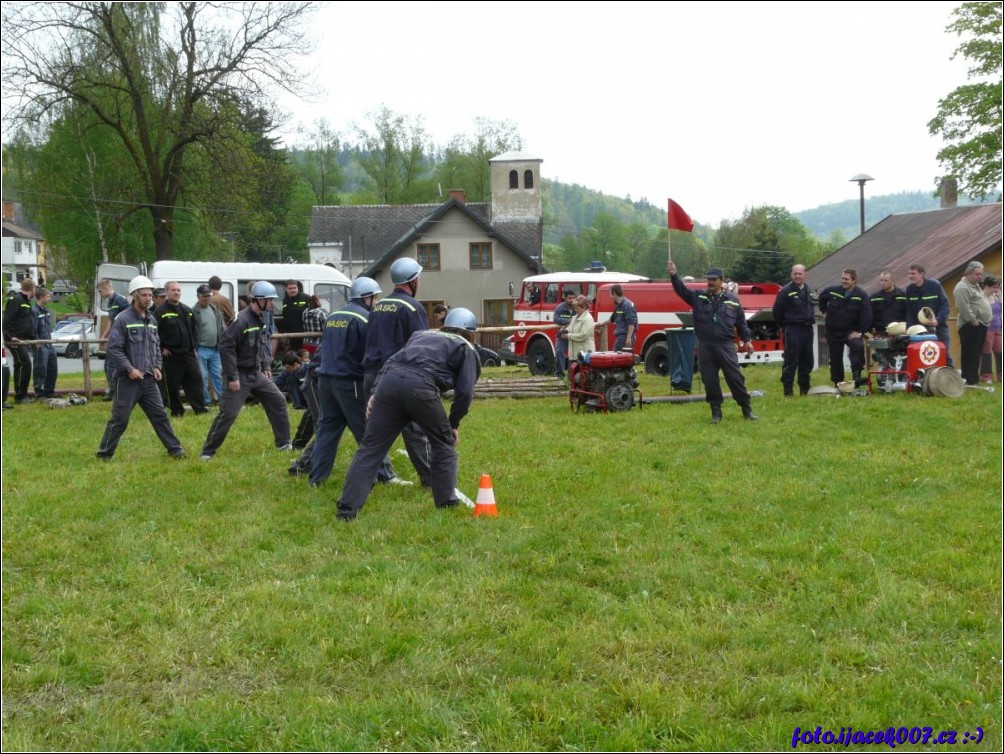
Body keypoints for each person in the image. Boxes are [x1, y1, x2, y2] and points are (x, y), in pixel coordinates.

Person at [335, 307, 482, 521]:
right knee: (443, 444)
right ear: (471, 331)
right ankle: (446, 502)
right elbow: (466, 392)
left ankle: (346, 510)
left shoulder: (421, 334)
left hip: (389, 384)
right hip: (421, 388)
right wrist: (453, 424)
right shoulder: (465, 347)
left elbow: (392, 360)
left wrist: (376, 392)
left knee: (370, 449)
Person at [307, 277, 404, 488]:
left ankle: (316, 479)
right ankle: (386, 475)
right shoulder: (365, 319)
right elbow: (370, 353)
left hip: (326, 381)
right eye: (374, 297)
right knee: (368, 430)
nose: (376, 301)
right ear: (366, 298)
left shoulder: (334, 315)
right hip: (350, 382)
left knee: (327, 432)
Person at [200, 281, 293, 460]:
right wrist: (232, 376)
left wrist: (266, 365)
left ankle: (284, 443)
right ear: (258, 300)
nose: (271, 303)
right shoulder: (241, 320)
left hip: (255, 373)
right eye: (269, 300)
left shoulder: (264, 317)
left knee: (278, 400)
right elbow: (226, 347)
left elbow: (263, 342)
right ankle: (207, 451)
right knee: (228, 413)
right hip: (238, 375)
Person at [95, 276, 185, 460]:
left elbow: (155, 347)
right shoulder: (123, 319)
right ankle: (104, 454)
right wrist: (129, 369)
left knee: (160, 416)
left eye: (150, 295)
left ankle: (176, 450)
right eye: (144, 295)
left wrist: (157, 366)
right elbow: (114, 348)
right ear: (135, 296)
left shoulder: (152, 320)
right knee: (120, 419)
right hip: (128, 380)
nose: (148, 298)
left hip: (149, 379)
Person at [362, 257, 431, 486]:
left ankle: (367, 479)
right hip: (399, 377)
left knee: (375, 433)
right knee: (415, 430)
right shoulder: (413, 307)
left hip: (372, 375)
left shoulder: (378, 306)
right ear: (412, 281)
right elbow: (422, 345)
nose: (419, 281)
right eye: (418, 277)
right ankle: (431, 478)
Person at [667, 261, 758, 423]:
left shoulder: (732, 300)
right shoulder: (699, 296)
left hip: (726, 345)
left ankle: (746, 409)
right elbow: (681, 290)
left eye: (714, 279)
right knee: (710, 380)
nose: (710, 282)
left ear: (721, 281)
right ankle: (716, 413)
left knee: (735, 377)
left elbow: (741, 323)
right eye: (709, 279)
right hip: (705, 345)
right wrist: (674, 275)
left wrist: (747, 340)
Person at [154, 281, 208, 417]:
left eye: (178, 290)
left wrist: (194, 347)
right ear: (167, 292)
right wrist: (161, 348)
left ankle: (200, 409)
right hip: (171, 356)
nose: (176, 292)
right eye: (173, 290)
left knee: (196, 380)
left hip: (188, 354)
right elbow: (153, 333)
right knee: (173, 385)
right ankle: (177, 411)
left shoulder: (186, 310)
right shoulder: (160, 311)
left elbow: (195, 329)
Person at [818, 268, 872, 387]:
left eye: (846, 279)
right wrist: (824, 311)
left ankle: (856, 377)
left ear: (854, 280)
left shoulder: (861, 295)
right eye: (842, 278)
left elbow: (866, 315)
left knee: (857, 347)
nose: (843, 281)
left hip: (850, 332)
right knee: (835, 357)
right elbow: (821, 298)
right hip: (833, 331)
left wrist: (860, 332)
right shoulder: (833, 291)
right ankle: (838, 382)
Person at [771, 263, 815, 397]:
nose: (797, 276)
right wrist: (785, 326)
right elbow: (777, 312)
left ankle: (804, 389)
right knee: (791, 360)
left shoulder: (808, 290)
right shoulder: (785, 291)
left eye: (799, 274)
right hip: (793, 329)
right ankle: (788, 391)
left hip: (807, 329)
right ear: (791, 275)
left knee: (807, 360)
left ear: (805, 275)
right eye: (795, 274)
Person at [905, 263, 952, 366]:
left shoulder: (934, 286)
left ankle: (950, 378)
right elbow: (909, 312)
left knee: (944, 354)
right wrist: (910, 329)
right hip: (920, 330)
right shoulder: (909, 290)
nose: (910, 276)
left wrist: (938, 320)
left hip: (938, 328)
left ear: (922, 274)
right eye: (909, 274)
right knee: (922, 356)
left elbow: (945, 307)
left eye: (913, 273)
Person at [953, 260, 991, 386]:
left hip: (980, 324)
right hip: (970, 325)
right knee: (970, 353)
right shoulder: (962, 287)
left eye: (981, 274)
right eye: (977, 274)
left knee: (976, 353)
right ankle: (969, 380)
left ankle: (973, 378)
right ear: (968, 273)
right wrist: (973, 320)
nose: (980, 276)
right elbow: (962, 306)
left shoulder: (975, 286)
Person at [3, 278, 36, 404]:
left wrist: (33, 338)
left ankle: (21, 394)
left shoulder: (26, 301)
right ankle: (21, 396)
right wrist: (10, 337)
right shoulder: (16, 300)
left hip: (23, 340)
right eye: (35, 289)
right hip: (15, 340)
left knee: (20, 365)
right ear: (32, 289)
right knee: (25, 364)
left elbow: (27, 322)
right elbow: (7, 320)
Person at [192, 283, 224, 407]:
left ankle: (223, 401)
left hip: (215, 349)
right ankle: (206, 402)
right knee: (203, 377)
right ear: (198, 296)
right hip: (201, 349)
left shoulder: (215, 310)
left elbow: (221, 328)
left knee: (218, 377)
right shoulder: (193, 311)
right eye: (204, 296)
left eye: (208, 295)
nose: (207, 298)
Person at [97, 278, 130, 401]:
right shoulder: (111, 302)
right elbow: (111, 321)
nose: (100, 294)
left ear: (106, 289)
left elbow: (128, 317)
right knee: (108, 365)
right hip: (115, 336)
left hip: (121, 337)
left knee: (111, 364)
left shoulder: (120, 300)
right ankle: (113, 389)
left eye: (100, 291)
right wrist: (104, 336)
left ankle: (115, 391)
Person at [31, 287, 58, 398]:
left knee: (52, 368)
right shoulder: (34, 311)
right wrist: (36, 341)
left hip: (49, 343)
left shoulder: (46, 311)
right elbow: (33, 328)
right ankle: (39, 392)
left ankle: (49, 391)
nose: (49, 298)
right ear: (41, 297)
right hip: (40, 344)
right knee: (40, 368)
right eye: (48, 296)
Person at [869, 269, 907, 335]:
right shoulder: (874, 298)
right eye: (881, 280)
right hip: (881, 332)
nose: (883, 283)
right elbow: (870, 315)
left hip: (899, 332)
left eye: (885, 280)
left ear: (892, 281)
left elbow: (908, 313)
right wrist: (871, 327)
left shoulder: (903, 296)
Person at [980, 275, 1002, 383]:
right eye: (994, 287)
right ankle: (986, 376)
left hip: (998, 329)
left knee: (999, 352)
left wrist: (1000, 297)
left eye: (997, 287)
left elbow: (1000, 310)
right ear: (987, 286)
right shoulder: (981, 297)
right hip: (987, 329)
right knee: (987, 353)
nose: (995, 289)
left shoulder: (995, 297)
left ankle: (1001, 374)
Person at [280, 279, 310, 353]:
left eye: (294, 288)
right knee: (294, 354)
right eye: (290, 288)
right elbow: (285, 315)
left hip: (304, 334)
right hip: (291, 334)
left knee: (303, 354)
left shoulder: (306, 298)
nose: (292, 290)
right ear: (286, 289)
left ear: (297, 288)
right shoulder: (285, 300)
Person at [552, 289, 577, 378]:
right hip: (562, 335)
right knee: (559, 352)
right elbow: (556, 319)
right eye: (570, 298)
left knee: (573, 355)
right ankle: (559, 374)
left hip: (573, 336)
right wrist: (568, 321)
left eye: (574, 298)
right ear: (565, 298)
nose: (572, 300)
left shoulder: (578, 307)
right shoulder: (559, 308)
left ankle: (571, 375)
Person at [607, 284, 638, 352]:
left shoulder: (627, 305)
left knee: (624, 359)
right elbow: (612, 319)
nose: (610, 296)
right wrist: (601, 324)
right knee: (615, 357)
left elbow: (631, 323)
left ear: (614, 293)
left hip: (626, 337)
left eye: (610, 294)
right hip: (620, 338)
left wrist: (628, 338)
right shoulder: (618, 306)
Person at [566, 294, 596, 360]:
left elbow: (583, 335)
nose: (575, 310)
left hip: (585, 354)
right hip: (574, 355)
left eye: (577, 308)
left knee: (584, 370)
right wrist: (566, 330)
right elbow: (571, 328)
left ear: (584, 307)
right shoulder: (575, 317)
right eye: (575, 308)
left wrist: (569, 336)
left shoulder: (588, 318)